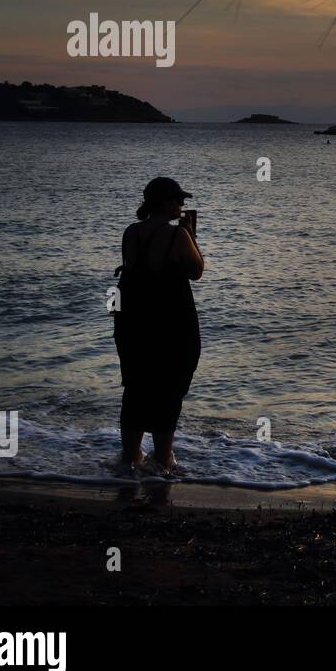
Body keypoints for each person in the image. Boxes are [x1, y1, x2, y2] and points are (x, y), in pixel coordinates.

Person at [113, 177, 204, 473]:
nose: (182, 205)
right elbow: (196, 271)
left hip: (133, 323)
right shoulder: (177, 235)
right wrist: (191, 234)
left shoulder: (131, 232)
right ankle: (163, 460)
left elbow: (134, 270)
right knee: (169, 389)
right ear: (164, 202)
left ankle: (130, 458)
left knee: (136, 386)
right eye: (178, 200)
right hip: (171, 325)